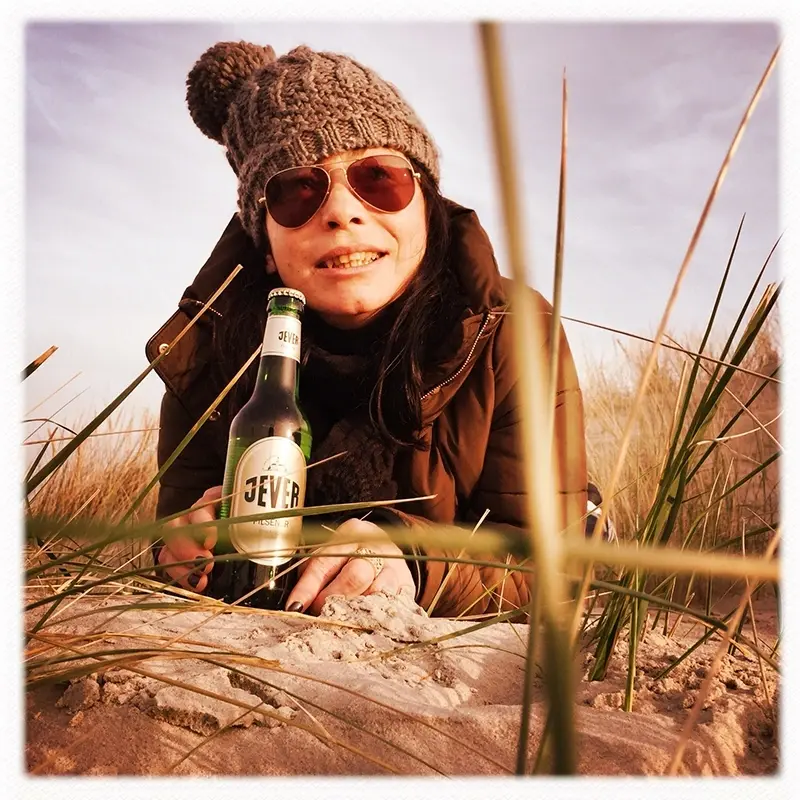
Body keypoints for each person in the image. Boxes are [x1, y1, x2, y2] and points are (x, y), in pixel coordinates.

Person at [147, 40, 589, 618]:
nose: (341, 212)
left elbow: (549, 565)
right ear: (267, 250)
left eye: (379, 178)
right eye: (297, 190)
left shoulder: (514, 332)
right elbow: (167, 540)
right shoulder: (205, 350)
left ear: (426, 207)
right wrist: (179, 550)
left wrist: (414, 560)